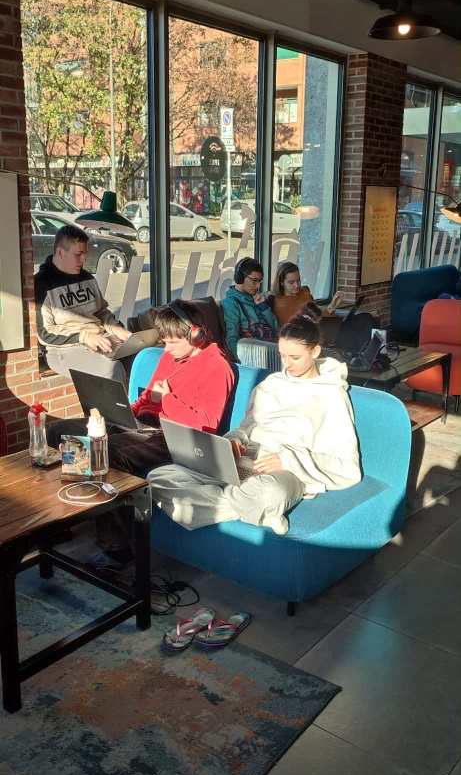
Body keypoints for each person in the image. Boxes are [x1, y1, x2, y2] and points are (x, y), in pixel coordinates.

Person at [47, 301, 235, 570]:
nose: (166, 349)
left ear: (197, 335)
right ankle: (78, 513)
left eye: (172, 342)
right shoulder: (170, 357)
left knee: (106, 451)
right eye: (164, 342)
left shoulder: (218, 368)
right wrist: (124, 414)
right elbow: (148, 397)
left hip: (171, 436)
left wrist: (167, 400)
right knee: (58, 431)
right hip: (140, 425)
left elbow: (204, 426)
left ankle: (116, 549)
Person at [149, 314, 361, 537]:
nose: (287, 364)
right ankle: (256, 512)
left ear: (315, 351)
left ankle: (247, 504)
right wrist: (234, 440)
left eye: (295, 357)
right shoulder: (270, 385)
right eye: (282, 356)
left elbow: (348, 467)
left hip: (285, 472)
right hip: (247, 458)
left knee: (270, 493)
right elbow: (247, 426)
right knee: (159, 478)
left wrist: (287, 459)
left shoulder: (332, 395)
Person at [34, 224, 133, 382]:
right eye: (78, 254)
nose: (84, 259)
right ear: (60, 252)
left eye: (85, 254)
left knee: (144, 359)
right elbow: (45, 333)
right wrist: (84, 337)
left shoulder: (87, 278)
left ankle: (142, 399)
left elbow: (101, 312)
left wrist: (116, 328)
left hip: (100, 338)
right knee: (112, 370)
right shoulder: (42, 284)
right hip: (64, 349)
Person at [221, 257, 279, 362]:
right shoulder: (231, 303)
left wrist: (263, 308)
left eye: (260, 281)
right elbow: (232, 336)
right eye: (255, 281)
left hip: (275, 345)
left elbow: (277, 328)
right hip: (257, 352)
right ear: (240, 278)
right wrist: (244, 362)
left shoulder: (258, 298)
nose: (258, 286)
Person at [269, 261, 344, 328]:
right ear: (281, 283)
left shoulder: (304, 291)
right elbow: (290, 331)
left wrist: (332, 306)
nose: (296, 285)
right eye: (291, 282)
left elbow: (316, 317)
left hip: (316, 331)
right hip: (301, 335)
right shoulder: (279, 302)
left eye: (298, 280)